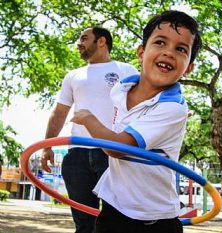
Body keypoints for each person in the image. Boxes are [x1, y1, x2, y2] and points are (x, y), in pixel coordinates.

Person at [71, 10, 202, 233]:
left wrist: (88, 119)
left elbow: (118, 148)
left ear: (188, 67)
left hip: (154, 218)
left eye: (181, 49)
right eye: (160, 42)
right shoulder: (120, 90)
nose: (169, 53)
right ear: (141, 52)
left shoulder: (172, 107)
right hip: (115, 206)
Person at [40, 26, 138, 233]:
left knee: (116, 221)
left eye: (84, 38)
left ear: (101, 41)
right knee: (84, 223)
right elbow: (59, 112)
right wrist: (46, 146)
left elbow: (141, 105)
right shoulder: (73, 76)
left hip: (114, 153)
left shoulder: (126, 70)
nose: (79, 43)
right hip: (78, 155)